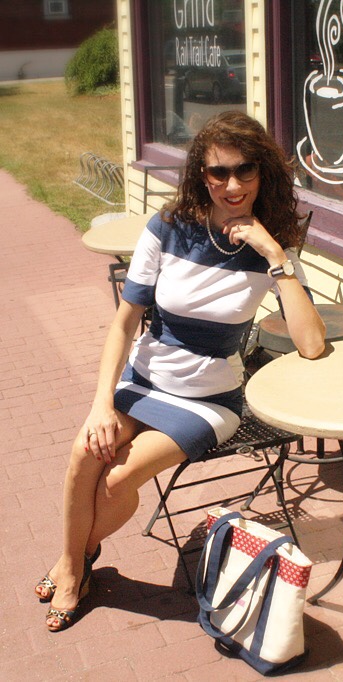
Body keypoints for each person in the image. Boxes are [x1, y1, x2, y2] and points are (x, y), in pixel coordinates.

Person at [35, 111, 326, 631]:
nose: (232, 185)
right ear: (201, 175)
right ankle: (74, 562)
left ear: (263, 174)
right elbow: (124, 325)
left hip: (209, 399)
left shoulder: (271, 244)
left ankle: (71, 567)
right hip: (143, 380)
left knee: (118, 474)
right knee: (85, 451)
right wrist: (102, 403)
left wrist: (274, 253)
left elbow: (309, 344)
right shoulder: (167, 230)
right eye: (218, 173)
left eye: (245, 170)